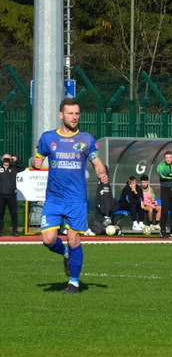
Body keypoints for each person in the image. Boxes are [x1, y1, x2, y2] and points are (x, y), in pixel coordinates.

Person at [31, 99, 109, 293]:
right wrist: (35, 162)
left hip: (76, 199)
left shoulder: (86, 139)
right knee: (48, 239)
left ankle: (74, 282)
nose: (75, 117)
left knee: (74, 239)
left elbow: (97, 162)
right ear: (61, 115)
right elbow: (36, 158)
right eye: (70, 113)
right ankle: (65, 253)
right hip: (54, 198)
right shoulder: (48, 138)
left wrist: (101, 172)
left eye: (77, 114)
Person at [0, 153, 24, 235]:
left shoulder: (13, 168)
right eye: (5, 159)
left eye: (8, 159)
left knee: (14, 214)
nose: (6, 161)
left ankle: (15, 231)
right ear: (2, 160)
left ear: (10, 160)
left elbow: (22, 168)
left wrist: (16, 160)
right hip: (1, 195)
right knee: (0, 214)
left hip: (12, 195)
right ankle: (0, 231)